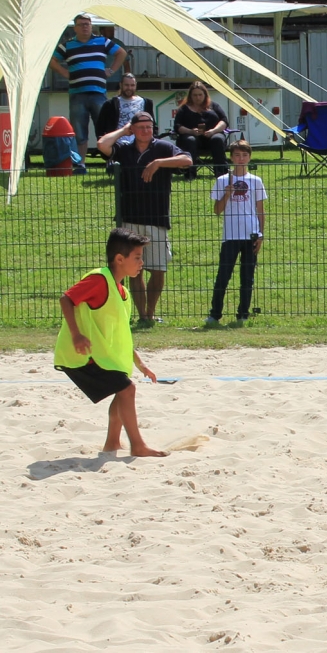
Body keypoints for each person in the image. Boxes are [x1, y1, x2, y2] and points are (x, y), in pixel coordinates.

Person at [53, 227, 168, 457]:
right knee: (127, 389)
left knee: (122, 390)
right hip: (83, 355)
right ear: (119, 259)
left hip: (101, 356)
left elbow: (121, 335)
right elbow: (66, 299)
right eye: (137, 257)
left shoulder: (122, 292)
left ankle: (112, 443)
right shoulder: (100, 279)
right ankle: (138, 446)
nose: (141, 263)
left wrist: (141, 364)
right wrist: (76, 335)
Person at [97, 112, 192, 326]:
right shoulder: (124, 149)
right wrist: (123, 131)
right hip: (129, 218)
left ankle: (151, 313)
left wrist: (158, 163)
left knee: (158, 269)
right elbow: (102, 145)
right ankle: (142, 316)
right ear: (133, 129)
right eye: (140, 127)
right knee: (134, 271)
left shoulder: (163, 148)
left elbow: (187, 160)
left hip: (157, 218)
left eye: (149, 127)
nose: (145, 131)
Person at [49, 13, 127, 173]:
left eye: (87, 24)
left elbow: (122, 53)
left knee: (104, 128)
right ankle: (80, 164)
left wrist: (111, 70)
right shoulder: (67, 45)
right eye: (81, 24)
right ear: (75, 28)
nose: (85, 27)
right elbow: (51, 60)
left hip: (98, 93)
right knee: (79, 131)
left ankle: (110, 162)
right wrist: (64, 73)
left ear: (91, 26)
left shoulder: (102, 41)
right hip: (77, 94)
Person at [206, 140, 266, 326]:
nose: (241, 159)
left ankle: (243, 314)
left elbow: (260, 210)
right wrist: (227, 194)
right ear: (231, 157)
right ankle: (215, 314)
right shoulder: (222, 180)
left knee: (247, 277)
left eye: (245, 155)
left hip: (251, 235)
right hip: (231, 235)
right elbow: (217, 210)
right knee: (223, 276)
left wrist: (261, 234)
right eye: (237, 155)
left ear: (249, 157)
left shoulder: (256, 181)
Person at [172, 81, 230, 180]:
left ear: (205, 94)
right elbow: (177, 126)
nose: (198, 98)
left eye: (200, 95)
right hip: (191, 139)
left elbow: (224, 121)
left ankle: (222, 174)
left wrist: (214, 131)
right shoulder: (183, 109)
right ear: (190, 96)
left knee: (217, 139)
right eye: (195, 95)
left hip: (213, 136)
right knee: (190, 140)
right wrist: (191, 131)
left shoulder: (214, 106)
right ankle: (190, 174)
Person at [97, 74, 155, 145]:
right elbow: (100, 127)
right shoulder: (110, 104)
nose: (129, 88)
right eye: (126, 85)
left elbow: (152, 124)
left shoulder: (146, 103)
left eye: (132, 85)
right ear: (121, 85)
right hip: (117, 144)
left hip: (140, 144)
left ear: (136, 85)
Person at [99, 25, 131, 91]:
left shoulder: (119, 44)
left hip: (115, 81)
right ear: (102, 31)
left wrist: (127, 81)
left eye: (113, 30)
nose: (112, 32)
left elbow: (126, 64)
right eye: (109, 30)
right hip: (99, 80)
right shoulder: (97, 43)